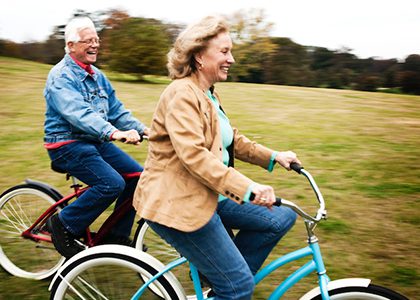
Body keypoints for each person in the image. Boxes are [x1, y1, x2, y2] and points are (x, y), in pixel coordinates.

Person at [132, 15, 300, 300]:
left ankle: (220, 281)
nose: (231, 59)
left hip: (208, 194)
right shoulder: (182, 94)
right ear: (199, 56)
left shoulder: (208, 93)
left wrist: (274, 157)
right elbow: (194, 156)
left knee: (281, 217)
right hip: (178, 202)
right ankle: (229, 284)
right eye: (224, 51)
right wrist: (248, 188)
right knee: (238, 287)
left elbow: (230, 140)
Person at [44, 16, 149, 258]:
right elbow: (78, 114)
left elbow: (116, 111)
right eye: (87, 40)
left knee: (138, 178)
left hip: (94, 143)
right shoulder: (60, 76)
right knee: (111, 183)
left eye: (97, 39)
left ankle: (115, 236)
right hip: (67, 144)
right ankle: (63, 224)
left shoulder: (98, 76)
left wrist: (146, 131)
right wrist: (114, 133)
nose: (95, 44)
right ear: (71, 45)